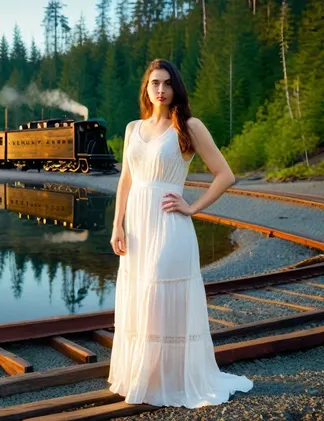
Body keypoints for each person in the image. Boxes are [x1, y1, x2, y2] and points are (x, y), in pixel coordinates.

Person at [107, 59, 253, 408]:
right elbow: (126, 180)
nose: (160, 89)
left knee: (159, 297)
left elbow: (225, 175)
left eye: (167, 83)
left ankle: (169, 379)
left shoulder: (188, 126)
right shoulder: (132, 129)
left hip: (170, 226)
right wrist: (117, 225)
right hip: (137, 228)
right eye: (155, 83)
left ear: (176, 89)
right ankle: (145, 375)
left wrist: (192, 207)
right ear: (146, 88)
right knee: (139, 297)